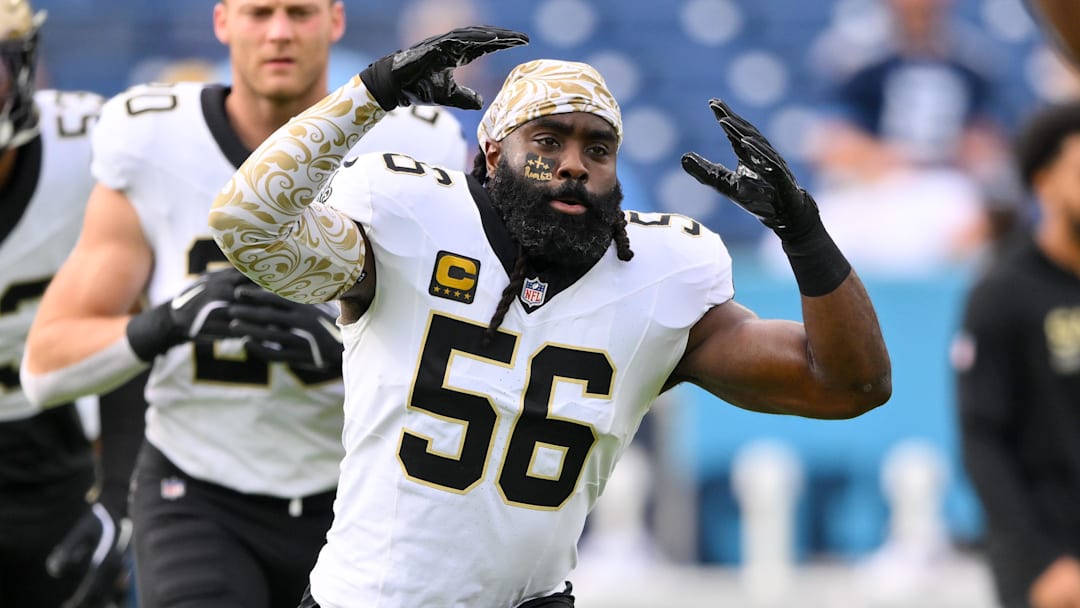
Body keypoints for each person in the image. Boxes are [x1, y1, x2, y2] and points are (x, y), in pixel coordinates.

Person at [207, 25, 893, 607]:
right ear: (491, 151)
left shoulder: (659, 277)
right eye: (547, 141)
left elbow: (848, 385)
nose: (572, 165)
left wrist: (805, 235)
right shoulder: (412, 220)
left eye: (597, 149)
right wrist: (371, 95)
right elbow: (247, 226)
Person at [19, 1, 468, 607]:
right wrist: (167, 324)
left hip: (360, 497)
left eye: (298, 13)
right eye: (259, 13)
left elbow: (465, 358)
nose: (279, 32)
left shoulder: (413, 144)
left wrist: (345, 355)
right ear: (222, 20)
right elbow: (46, 364)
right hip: (198, 490)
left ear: (334, 22)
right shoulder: (155, 140)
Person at [954, 100, 1080, 608]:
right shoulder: (1002, 293)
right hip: (1052, 564)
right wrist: (1040, 563)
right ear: (1043, 182)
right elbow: (983, 440)